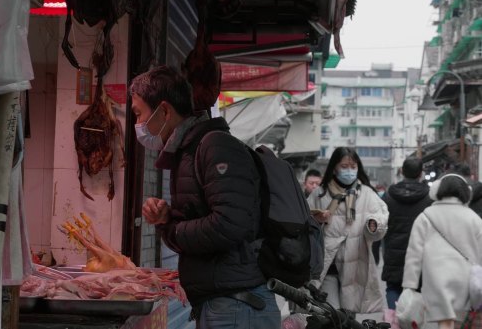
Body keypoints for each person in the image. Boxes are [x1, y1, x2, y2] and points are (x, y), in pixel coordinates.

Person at [133, 66, 280, 328]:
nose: (138, 125)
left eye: (139, 114)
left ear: (164, 111)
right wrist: (166, 217)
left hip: (235, 308)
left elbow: (229, 225)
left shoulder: (214, 147)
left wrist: (174, 228)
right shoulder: (190, 150)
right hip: (224, 304)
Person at [307, 147, 389, 317]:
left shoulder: (367, 194)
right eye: (344, 166)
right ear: (334, 167)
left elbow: (381, 218)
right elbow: (303, 221)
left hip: (355, 266)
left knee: (348, 318)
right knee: (331, 315)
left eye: (353, 166)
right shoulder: (319, 194)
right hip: (326, 265)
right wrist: (316, 220)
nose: (349, 171)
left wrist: (373, 225)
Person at [403, 174, 482, 329]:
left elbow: (414, 254)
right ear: (466, 193)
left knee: (444, 321)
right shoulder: (475, 219)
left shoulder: (425, 216)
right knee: (460, 320)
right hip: (464, 280)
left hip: (435, 279)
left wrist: (409, 286)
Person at [381, 157, 432, 327]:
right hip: (420, 253)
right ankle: (412, 323)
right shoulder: (429, 197)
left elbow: (381, 223)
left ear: (402, 171)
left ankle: (394, 322)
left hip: (393, 251)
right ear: (420, 173)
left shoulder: (389, 195)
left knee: (393, 288)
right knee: (415, 289)